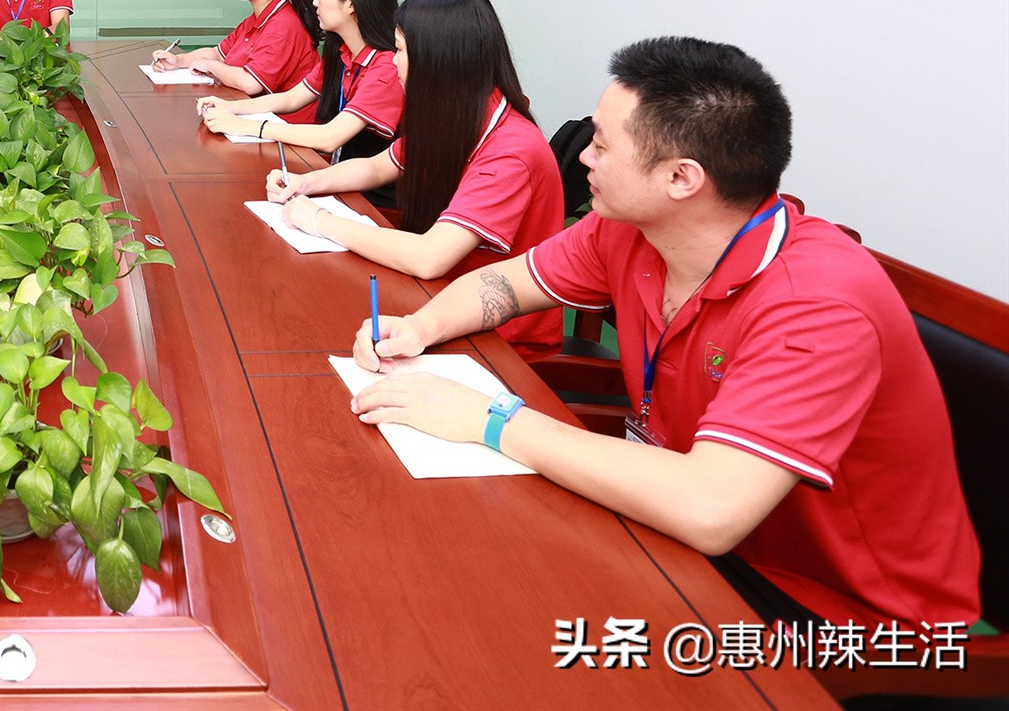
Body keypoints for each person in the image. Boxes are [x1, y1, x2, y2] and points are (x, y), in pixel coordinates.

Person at [349, 37, 981, 628]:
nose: (582, 158)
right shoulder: (628, 227)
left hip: (843, 608)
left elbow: (709, 509)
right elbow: (506, 286)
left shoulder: (818, 304)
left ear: (682, 178)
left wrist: (489, 419)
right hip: (686, 525)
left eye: (599, 144)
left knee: (505, 617)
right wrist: (418, 327)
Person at [268, 0, 564, 355]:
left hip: (499, 340)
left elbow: (429, 257)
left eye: (402, 50)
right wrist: (305, 183)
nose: (393, 61)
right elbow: (378, 167)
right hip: (438, 303)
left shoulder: (511, 149)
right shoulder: (454, 113)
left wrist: (318, 220)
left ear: (437, 59)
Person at [197, 0, 402, 164]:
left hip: (367, 193)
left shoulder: (386, 66)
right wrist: (229, 107)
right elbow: (292, 98)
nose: (315, 2)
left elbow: (330, 137)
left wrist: (246, 126)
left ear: (350, 3)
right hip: (339, 173)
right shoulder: (342, 52)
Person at [155, 0, 318, 116]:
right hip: (254, 116)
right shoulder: (259, 18)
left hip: (287, 129)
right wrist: (179, 61)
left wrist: (210, 66)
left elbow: (250, 83)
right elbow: (218, 53)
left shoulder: (284, 26)